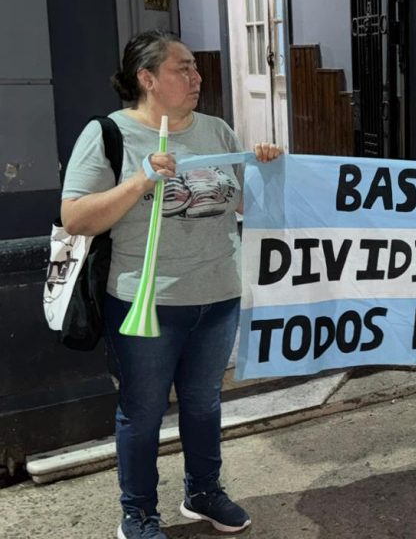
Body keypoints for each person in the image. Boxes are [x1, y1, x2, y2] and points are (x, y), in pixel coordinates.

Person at [61, 30, 282, 539]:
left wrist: (268, 169)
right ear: (147, 78)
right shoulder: (109, 133)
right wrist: (141, 180)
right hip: (146, 302)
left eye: (195, 67)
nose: (196, 76)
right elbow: (75, 217)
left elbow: (247, 203)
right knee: (142, 413)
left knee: (204, 403)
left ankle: (202, 492)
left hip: (218, 295)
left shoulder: (216, 130)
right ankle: (138, 513)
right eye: (183, 68)